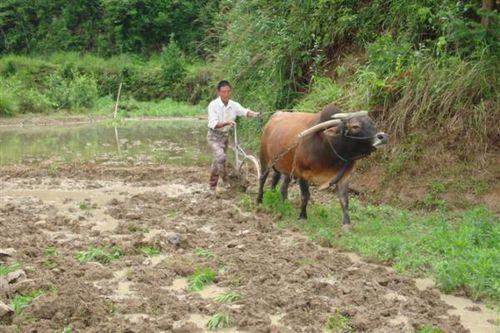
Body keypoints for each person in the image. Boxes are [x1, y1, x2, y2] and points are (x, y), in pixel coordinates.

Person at [207, 80, 260, 191]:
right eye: (223, 92)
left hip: (225, 137)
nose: (226, 94)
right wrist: (227, 122)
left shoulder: (233, 105)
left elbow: (245, 112)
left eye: (228, 91)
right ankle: (226, 181)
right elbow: (213, 124)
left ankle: (212, 185)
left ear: (230, 92)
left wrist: (255, 114)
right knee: (221, 157)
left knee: (218, 161)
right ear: (219, 92)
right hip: (214, 137)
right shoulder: (213, 105)